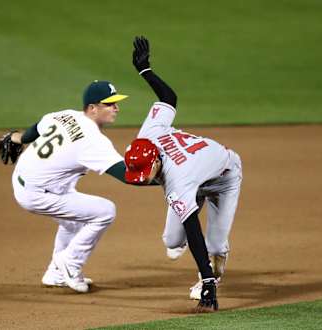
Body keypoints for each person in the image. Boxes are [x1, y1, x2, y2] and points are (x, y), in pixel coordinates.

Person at [124, 36, 243, 311]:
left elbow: (194, 229)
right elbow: (169, 98)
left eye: (147, 173)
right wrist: (145, 71)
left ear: (155, 163)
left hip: (224, 177)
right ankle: (208, 268)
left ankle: (214, 274)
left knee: (212, 244)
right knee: (172, 241)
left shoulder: (177, 179)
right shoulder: (148, 135)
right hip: (195, 174)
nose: (146, 178)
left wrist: (207, 280)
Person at [5, 80, 130, 293]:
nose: (116, 108)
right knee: (105, 211)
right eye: (109, 104)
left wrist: (18, 138)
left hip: (23, 178)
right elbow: (128, 176)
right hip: (38, 194)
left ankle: (56, 273)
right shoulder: (92, 140)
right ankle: (70, 263)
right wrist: (168, 177)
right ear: (92, 108)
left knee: (74, 219)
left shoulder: (66, 114)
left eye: (116, 103)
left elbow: (37, 128)